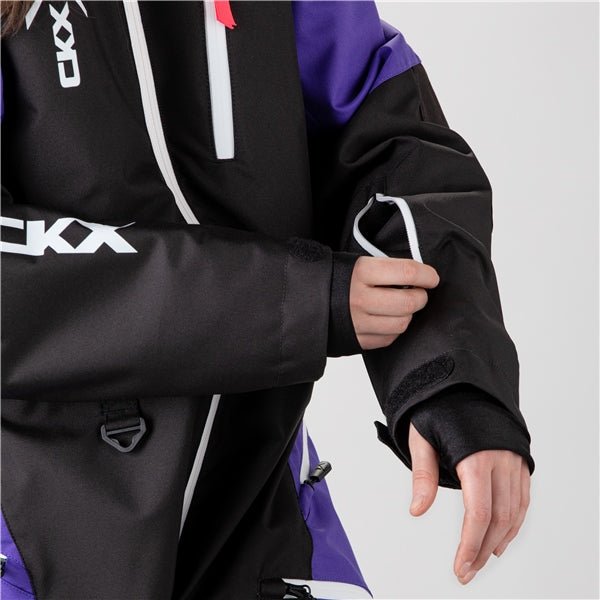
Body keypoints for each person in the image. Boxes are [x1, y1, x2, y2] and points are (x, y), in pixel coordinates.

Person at [0, 1, 535, 599]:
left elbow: (390, 141)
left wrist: (450, 378)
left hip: (258, 517)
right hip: (31, 543)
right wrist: (292, 299)